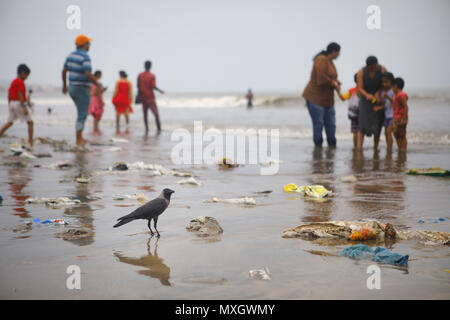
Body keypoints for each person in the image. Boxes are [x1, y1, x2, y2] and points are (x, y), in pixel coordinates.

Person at [303, 42, 341, 147]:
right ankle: (318, 150)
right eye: (338, 52)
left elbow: (329, 77)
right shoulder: (321, 59)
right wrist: (333, 83)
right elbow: (321, 78)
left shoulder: (330, 62)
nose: (339, 55)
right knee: (318, 124)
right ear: (333, 51)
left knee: (331, 125)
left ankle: (331, 148)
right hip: (315, 98)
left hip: (327, 100)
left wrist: (336, 82)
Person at [62, 34, 99, 145]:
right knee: (82, 114)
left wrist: (64, 85)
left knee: (81, 113)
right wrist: (97, 83)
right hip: (81, 88)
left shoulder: (70, 55)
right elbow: (87, 73)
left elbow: (64, 71)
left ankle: (79, 137)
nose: (90, 45)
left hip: (72, 87)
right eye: (88, 43)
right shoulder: (85, 57)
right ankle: (79, 139)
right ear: (84, 44)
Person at [356, 55, 387, 150]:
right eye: (372, 67)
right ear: (368, 66)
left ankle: (376, 147)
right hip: (365, 101)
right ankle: (359, 148)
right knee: (362, 125)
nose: (374, 68)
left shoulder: (382, 69)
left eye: (375, 66)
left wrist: (378, 93)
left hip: (378, 99)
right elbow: (359, 88)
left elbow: (386, 83)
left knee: (377, 125)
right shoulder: (361, 72)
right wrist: (367, 95)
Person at [0, 64, 34, 147]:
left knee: (10, 122)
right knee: (30, 123)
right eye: (27, 75)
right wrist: (24, 107)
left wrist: (10, 105)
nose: (27, 77)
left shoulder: (14, 81)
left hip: (12, 103)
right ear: (22, 73)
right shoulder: (20, 82)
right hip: (19, 103)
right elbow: (20, 94)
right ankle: (30, 143)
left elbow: (9, 94)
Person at [137, 60, 165, 134]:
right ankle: (159, 129)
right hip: (150, 97)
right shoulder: (152, 76)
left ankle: (147, 129)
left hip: (143, 97)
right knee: (156, 114)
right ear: (150, 66)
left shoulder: (140, 75)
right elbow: (153, 86)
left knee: (145, 114)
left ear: (144, 66)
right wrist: (160, 91)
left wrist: (138, 96)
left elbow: (138, 86)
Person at [373, 72, 395, 151]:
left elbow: (395, 103)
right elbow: (384, 104)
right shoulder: (382, 92)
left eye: (386, 82)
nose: (384, 84)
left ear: (391, 82)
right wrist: (379, 107)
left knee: (388, 132)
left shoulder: (393, 91)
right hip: (386, 115)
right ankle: (388, 148)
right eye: (383, 82)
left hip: (392, 115)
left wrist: (388, 97)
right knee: (386, 133)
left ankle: (390, 148)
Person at [338, 74, 360, 148]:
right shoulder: (363, 90)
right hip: (360, 114)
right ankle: (358, 147)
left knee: (355, 132)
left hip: (353, 114)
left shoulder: (351, 91)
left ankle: (356, 147)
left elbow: (342, 98)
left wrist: (338, 90)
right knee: (359, 131)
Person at [392, 77, 408, 151]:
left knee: (402, 135)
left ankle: (403, 149)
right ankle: (400, 148)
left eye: (392, 87)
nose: (392, 89)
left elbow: (405, 107)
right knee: (396, 134)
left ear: (395, 86)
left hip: (400, 117)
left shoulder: (401, 95)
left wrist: (404, 118)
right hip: (396, 117)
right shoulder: (396, 95)